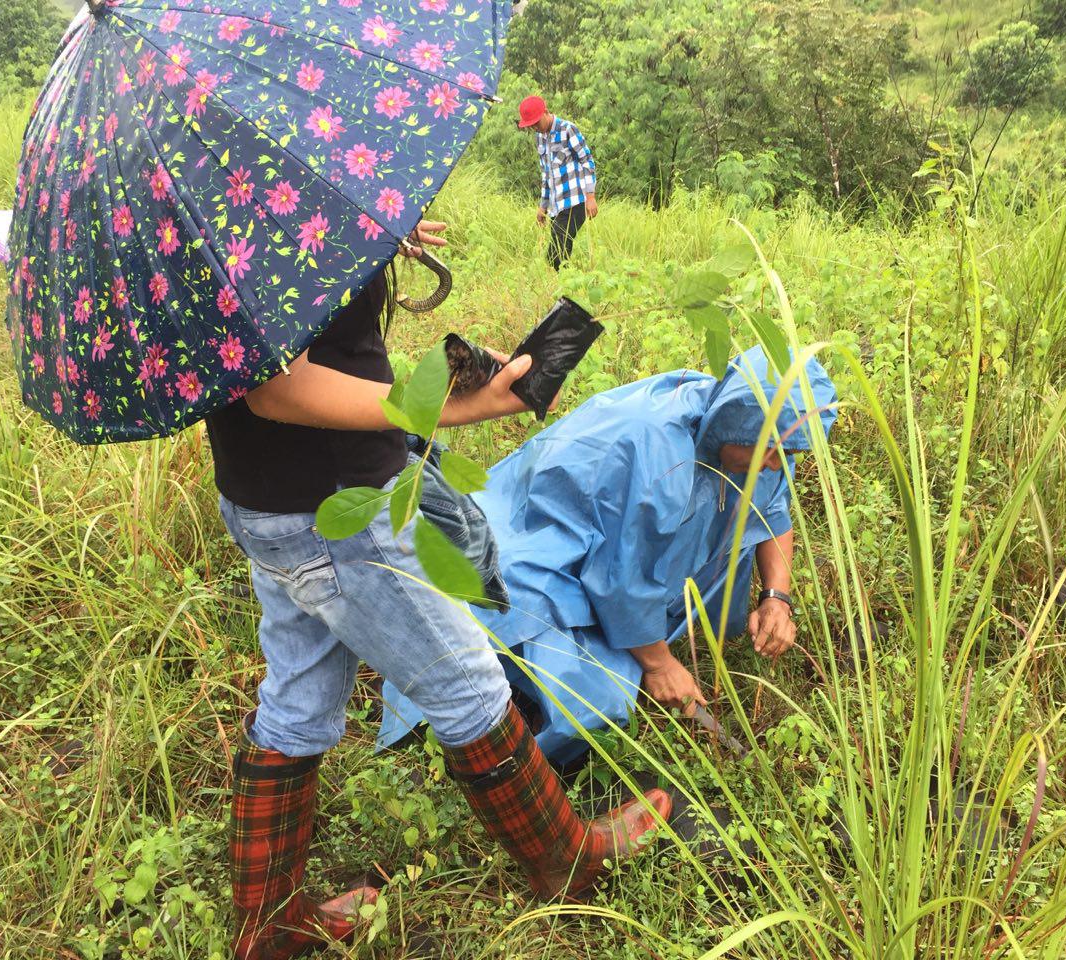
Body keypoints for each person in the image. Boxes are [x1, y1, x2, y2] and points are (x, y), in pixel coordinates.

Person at [208, 221, 673, 959]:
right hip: (332, 505)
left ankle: (269, 927)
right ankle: (566, 861)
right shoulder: (252, 204)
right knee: (467, 684)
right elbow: (278, 386)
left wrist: (356, 234)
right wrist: (446, 408)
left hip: (268, 498)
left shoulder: (239, 202)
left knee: (297, 698)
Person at [380, 348, 838, 766]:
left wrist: (777, 597)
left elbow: (772, 507)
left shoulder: (761, 434)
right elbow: (617, 578)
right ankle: (502, 757)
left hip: (628, 556)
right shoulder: (662, 458)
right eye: (771, 452)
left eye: (789, 452)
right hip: (552, 542)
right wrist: (659, 665)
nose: (777, 465)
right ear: (735, 422)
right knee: (599, 695)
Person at [517, 95, 597, 271]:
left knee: (556, 254)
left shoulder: (568, 129)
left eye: (536, 123)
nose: (535, 128)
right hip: (556, 205)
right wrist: (543, 206)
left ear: (546, 112)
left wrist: (591, 196)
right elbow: (546, 174)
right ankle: (569, 288)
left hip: (576, 201)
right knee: (561, 255)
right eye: (531, 126)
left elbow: (587, 161)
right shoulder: (540, 137)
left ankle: (566, 289)